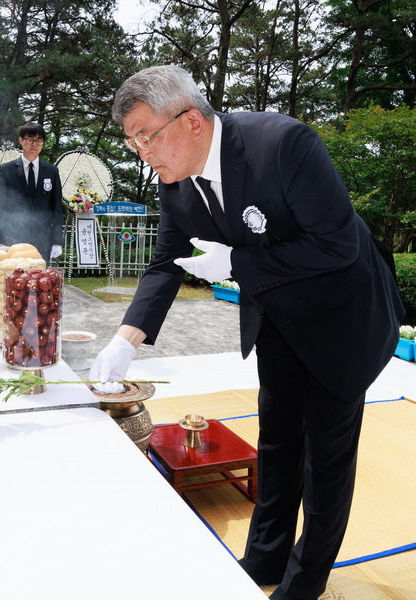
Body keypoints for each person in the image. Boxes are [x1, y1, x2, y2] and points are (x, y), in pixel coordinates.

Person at [90, 65, 404, 600]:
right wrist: (127, 338)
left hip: (343, 318)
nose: (142, 152)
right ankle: (264, 559)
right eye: (132, 141)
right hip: (279, 316)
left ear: (190, 121)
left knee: (324, 456)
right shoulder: (177, 181)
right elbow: (167, 262)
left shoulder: (281, 145)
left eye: (147, 136)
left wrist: (238, 260)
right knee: (278, 439)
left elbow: (338, 246)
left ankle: (303, 585)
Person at [0, 122, 64, 262]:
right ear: (21, 140)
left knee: (40, 280)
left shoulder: (51, 171)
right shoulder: (7, 170)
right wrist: (0, 240)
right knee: (15, 280)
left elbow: (56, 208)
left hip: (42, 238)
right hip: (14, 238)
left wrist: (57, 241)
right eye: (30, 139)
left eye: (39, 140)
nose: (34, 144)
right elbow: (0, 207)